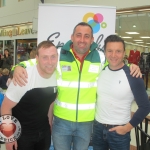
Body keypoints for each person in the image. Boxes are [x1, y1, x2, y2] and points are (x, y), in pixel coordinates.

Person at [12, 22, 142, 150]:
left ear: (92, 39)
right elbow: (35, 62)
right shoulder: (59, 54)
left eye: (86, 36)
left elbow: (116, 63)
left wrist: (132, 66)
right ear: (72, 37)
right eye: (78, 35)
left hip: (86, 123)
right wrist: (18, 67)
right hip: (61, 121)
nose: (82, 39)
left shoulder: (100, 57)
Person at [92, 35, 150, 150]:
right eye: (110, 51)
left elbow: (145, 106)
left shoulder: (133, 75)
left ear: (124, 53)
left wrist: (126, 128)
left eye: (118, 51)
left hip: (119, 132)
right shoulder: (100, 70)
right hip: (98, 129)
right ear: (105, 52)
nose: (113, 55)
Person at [1, 41, 58, 150]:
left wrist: (49, 124)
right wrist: (9, 137)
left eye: (53, 57)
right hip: (22, 135)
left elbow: (50, 103)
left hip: (43, 133)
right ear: (37, 58)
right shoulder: (23, 78)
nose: (50, 62)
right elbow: (5, 107)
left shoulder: (56, 75)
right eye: (45, 57)